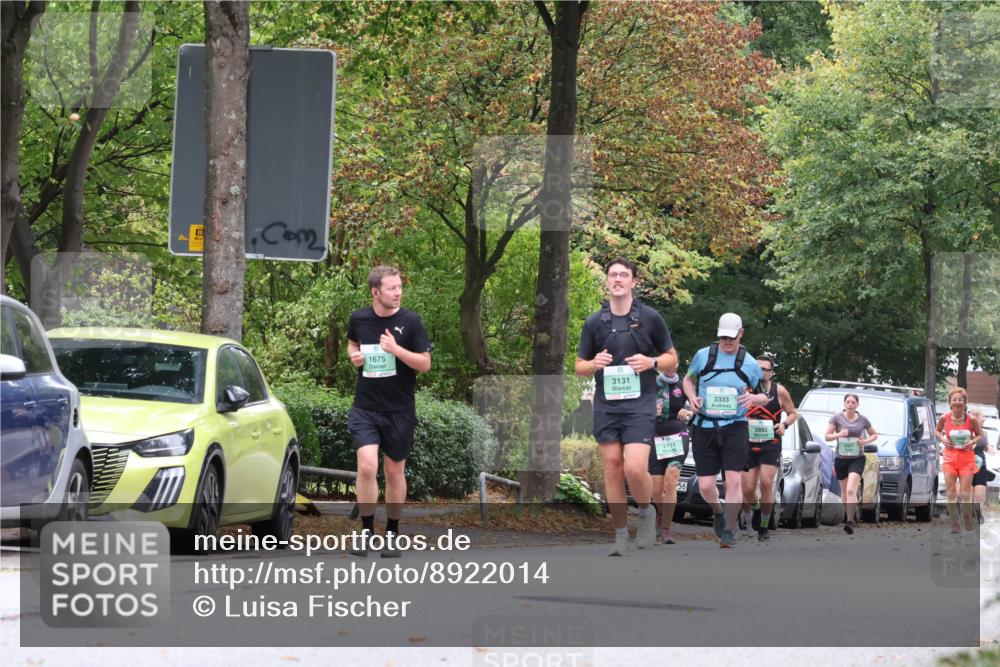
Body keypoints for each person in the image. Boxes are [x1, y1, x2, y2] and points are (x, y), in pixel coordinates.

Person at [576, 257, 678, 556]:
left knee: (634, 467)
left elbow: (672, 358)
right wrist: (594, 363)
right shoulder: (595, 322)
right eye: (613, 275)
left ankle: (645, 512)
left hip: (640, 403)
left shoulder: (650, 318)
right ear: (607, 281)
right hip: (607, 404)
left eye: (624, 275)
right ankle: (621, 534)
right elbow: (579, 365)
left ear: (634, 282)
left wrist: (652, 362)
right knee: (612, 468)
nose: (617, 279)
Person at [347, 266, 431, 557]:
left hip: (399, 409)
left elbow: (424, 363)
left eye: (399, 287)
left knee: (394, 472)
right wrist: (354, 357)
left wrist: (396, 350)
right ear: (375, 292)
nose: (398, 292)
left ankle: (392, 534)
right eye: (392, 288)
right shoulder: (359, 318)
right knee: (367, 467)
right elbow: (352, 343)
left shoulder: (410, 322)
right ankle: (367, 532)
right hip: (366, 407)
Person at [682, 313, 768, 548]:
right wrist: (692, 398)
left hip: (735, 427)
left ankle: (730, 528)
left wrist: (753, 398)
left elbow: (765, 396)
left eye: (731, 337)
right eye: (723, 338)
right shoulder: (703, 355)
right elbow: (688, 380)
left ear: (741, 333)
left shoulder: (749, 363)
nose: (727, 342)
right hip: (704, 426)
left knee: (733, 480)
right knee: (706, 485)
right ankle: (718, 511)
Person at [741, 354, 798, 541]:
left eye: (764, 369)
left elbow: (792, 413)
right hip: (747, 443)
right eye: (757, 368)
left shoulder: (779, 391)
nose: (760, 372)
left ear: (771, 373)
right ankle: (757, 510)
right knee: (748, 489)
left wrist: (784, 425)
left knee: (766, 483)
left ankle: (764, 525)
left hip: (770, 443)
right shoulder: (744, 388)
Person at [648, 370, 693, 545]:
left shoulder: (683, 384)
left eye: (675, 364)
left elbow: (697, 407)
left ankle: (666, 529)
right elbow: (636, 405)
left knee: (671, 480)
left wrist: (688, 412)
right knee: (656, 489)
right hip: (655, 437)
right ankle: (661, 516)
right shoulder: (650, 384)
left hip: (677, 435)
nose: (671, 367)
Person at [824, 394, 878, 535]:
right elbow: (827, 436)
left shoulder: (863, 419)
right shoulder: (836, 418)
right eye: (848, 402)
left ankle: (849, 520)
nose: (850, 404)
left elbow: (874, 434)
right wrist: (839, 434)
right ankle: (847, 515)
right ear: (844, 403)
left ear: (857, 405)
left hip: (857, 458)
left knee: (850, 490)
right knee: (844, 492)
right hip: (841, 458)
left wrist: (864, 442)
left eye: (853, 402)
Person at [935, 388, 982, 533]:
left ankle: (967, 517)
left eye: (960, 400)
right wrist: (943, 439)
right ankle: (954, 522)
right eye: (954, 400)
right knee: (950, 492)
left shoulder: (971, 419)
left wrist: (972, 442)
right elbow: (937, 431)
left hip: (967, 459)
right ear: (950, 402)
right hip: (950, 458)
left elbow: (979, 435)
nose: (957, 402)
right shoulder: (944, 418)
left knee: (964, 493)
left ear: (965, 402)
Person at [971, 409, 996, 525]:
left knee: (980, 491)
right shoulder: (967, 431)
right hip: (967, 464)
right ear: (975, 417)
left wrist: (989, 449)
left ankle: (978, 511)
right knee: (967, 491)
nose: (985, 418)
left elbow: (986, 446)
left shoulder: (984, 433)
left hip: (981, 465)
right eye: (983, 416)